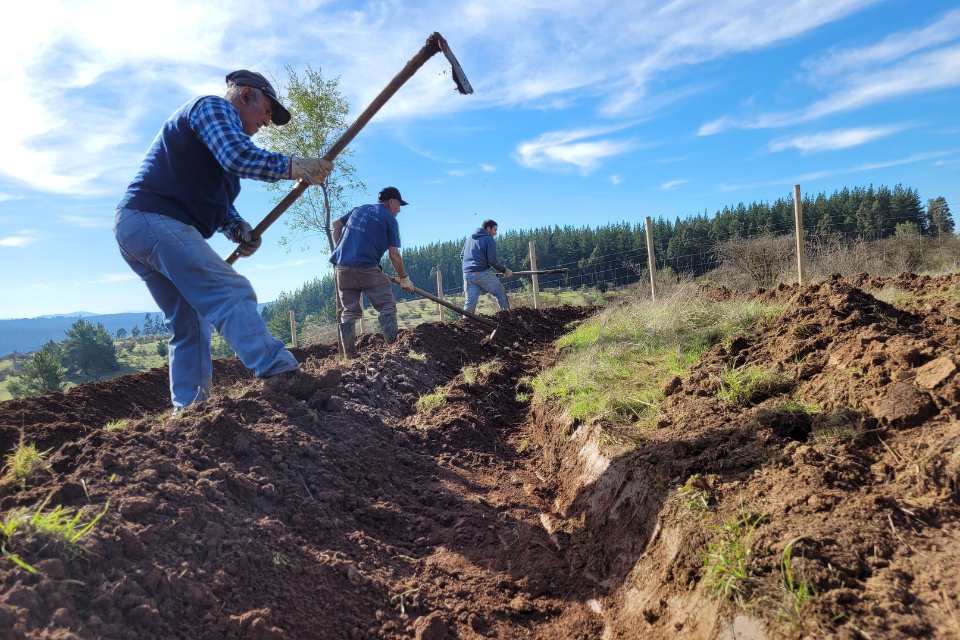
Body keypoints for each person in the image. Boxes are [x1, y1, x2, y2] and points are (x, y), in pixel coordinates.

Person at [114, 69, 333, 409]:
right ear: (245, 95)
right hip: (154, 218)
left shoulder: (218, 155)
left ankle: (190, 410)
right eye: (267, 111)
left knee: (190, 322)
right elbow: (239, 157)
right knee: (230, 290)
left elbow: (218, 205)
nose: (267, 122)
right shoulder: (213, 108)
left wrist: (238, 229)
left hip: (138, 226)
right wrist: (295, 166)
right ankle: (279, 372)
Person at [330, 187, 416, 357]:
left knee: (349, 311)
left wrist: (341, 250)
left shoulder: (359, 209)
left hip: (342, 268)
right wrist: (404, 278)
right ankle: (394, 350)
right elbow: (394, 254)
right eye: (399, 205)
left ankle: (349, 356)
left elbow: (335, 224)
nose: (399, 210)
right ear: (391, 201)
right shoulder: (390, 219)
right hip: (367, 267)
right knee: (386, 305)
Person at [461, 219, 513, 313]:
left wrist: (470, 266)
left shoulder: (469, 239)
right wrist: (505, 270)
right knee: (500, 291)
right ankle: (508, 316)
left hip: (467, 275)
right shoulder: (488, 239)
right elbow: (492, 261)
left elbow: (461, 256)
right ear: (488, 228)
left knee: (469, 303)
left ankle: (465, 321)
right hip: (481, 273)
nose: (495, 233)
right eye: (494, 230)